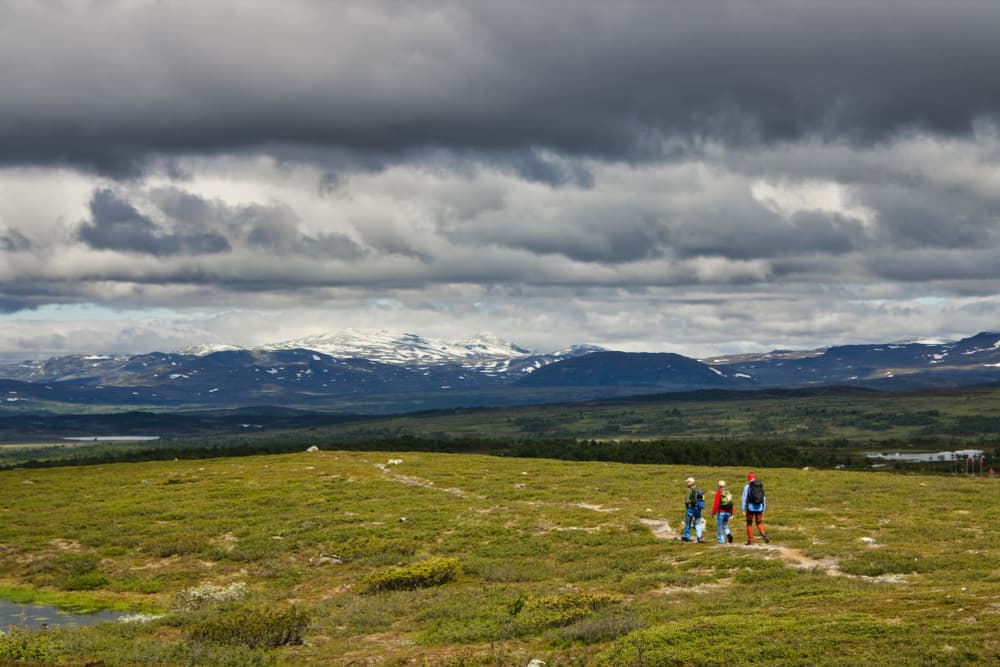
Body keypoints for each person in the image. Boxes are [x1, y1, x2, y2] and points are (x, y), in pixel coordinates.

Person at [741, 472, 769, 545]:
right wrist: (764, 508)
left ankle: (750, 540)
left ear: (748, 478)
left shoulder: (747, 487)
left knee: (749, 523)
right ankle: (763, 533)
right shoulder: (760, 486)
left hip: (750, 507)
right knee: (759, 522)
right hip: (759, 507)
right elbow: (764, 498)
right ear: (754, 477)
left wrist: (743, 509)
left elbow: (744, 499)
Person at [682, 477, 705, 543]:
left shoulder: (689, 489)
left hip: (691, 508)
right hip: (698, 508)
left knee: (688, 522)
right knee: (697, 523)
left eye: (688, 482)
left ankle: (687, 537)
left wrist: (687, 507)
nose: (687, 483)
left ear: (690, 482)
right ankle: (699, 537)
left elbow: (686, 500)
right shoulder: (699, 488)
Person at [712, 480, 734, 544]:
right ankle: (729, 534)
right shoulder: (728, 493)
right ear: (725, 486)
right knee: (725, 525)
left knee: (719, 526)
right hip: (728, 512)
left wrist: (713, 512)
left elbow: (716, 504)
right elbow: (731, 504)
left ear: (719, 486)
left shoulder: (719, 493)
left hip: (721, 512)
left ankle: (721, 541)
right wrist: (732, 513)